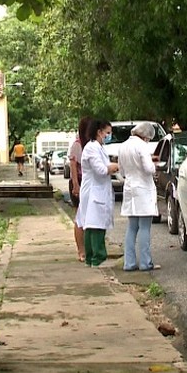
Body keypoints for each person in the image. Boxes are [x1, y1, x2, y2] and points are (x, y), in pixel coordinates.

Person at [75, 119, 119, 267]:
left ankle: (92, 258)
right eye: (107, 133)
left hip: (97, 189)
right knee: (95, 225)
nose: (109, 136)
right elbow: (100, 170)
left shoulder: (98, 147)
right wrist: (113, 167)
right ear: (99, 132)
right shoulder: (92, 148)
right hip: (93, 190)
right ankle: (96, 258)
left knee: (93, 223)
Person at [118, 121, 160, 271]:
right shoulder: (142, 146)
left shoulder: (123, 146)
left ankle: (128, 263)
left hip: (129, 188)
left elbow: (121, 171)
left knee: (132, 227)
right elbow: (149, 169)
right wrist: (155, 166)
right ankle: (145, 262)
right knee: (144, 227)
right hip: (143, 189)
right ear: (146, 136)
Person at [68, 116, 91, 262]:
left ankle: (89, 248)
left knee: (91, 217)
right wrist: (76, 185)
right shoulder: (77, 144)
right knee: (80, 217)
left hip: (90, 183)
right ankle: (81, 250)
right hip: (80, 181)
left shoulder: (93, 144)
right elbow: (73, 166)